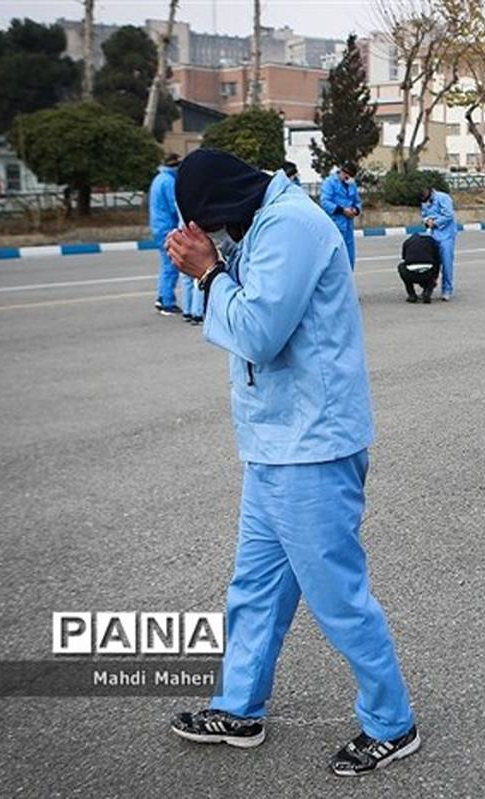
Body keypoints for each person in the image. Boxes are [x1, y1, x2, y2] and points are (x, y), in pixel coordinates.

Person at [162, 149, 419, 776]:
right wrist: (216, 270)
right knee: (254, 587)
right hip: (276, 441)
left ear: (222, 208)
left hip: (314, 446)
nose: (210, 237)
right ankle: (239, 707)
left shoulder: (291, 227)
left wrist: (207, 274)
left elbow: (257, 333)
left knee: (337, 595)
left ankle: (393, 722)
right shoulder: (260, 223)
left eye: (207, 224)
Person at [149, 152, 182, 316]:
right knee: (171, 266)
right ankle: (167, 302)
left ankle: (162, 297)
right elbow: (175, 206)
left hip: (158, 227)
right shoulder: (169, 182)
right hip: (167, 227)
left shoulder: (158, 179)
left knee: (165, 265)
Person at [319, 163, 362, 269]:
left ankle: (348, 281)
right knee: (336, 258)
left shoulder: (352, 184)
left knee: (349, 257)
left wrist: (355, 210)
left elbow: (357, 201)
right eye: (348, 176)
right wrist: (342, 210)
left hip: (348, 225)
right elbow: (325, 202)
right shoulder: (329, 183)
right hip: (335, 224)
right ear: (343, 173)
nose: (350, 179)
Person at [421, 185, 458, 300]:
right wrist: (427, 221)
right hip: (432, 234)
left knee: (446, 263)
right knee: (431, 263)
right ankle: (428, 287)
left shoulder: (443, 198)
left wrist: (436, 222)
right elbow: (424, 214)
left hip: (446, 235)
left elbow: (449, 215)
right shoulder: (424, 200)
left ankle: (447, 290)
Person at [398, 232, 441, 304]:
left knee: (401, 266)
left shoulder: (407, 242)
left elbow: (404, 258)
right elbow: (437, 259)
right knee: (434, 265)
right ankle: (427, 292)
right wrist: (435, 278)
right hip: (427, 273)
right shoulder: (431, 242)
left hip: (410, 274)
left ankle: (412, 295)